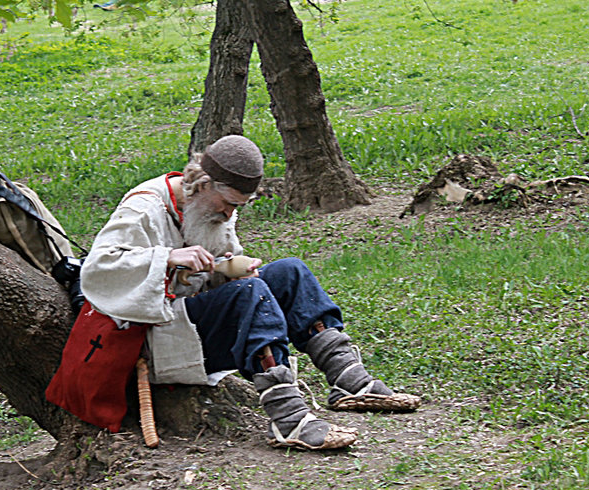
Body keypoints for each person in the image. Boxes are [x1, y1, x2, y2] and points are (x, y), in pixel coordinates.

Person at [80, 135, 420, 450]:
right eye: (228, 203)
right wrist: (166, 257)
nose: (230, 214)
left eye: (237, 206)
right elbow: (97, 271)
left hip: (193, 321)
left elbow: (210, 272)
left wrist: (228, 268)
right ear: (202, 183)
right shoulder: (143, 208)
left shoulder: (209, 205)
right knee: (250, 294)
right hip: (154, 338)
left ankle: (349, 380)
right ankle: (288, 419)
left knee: (289, 272)